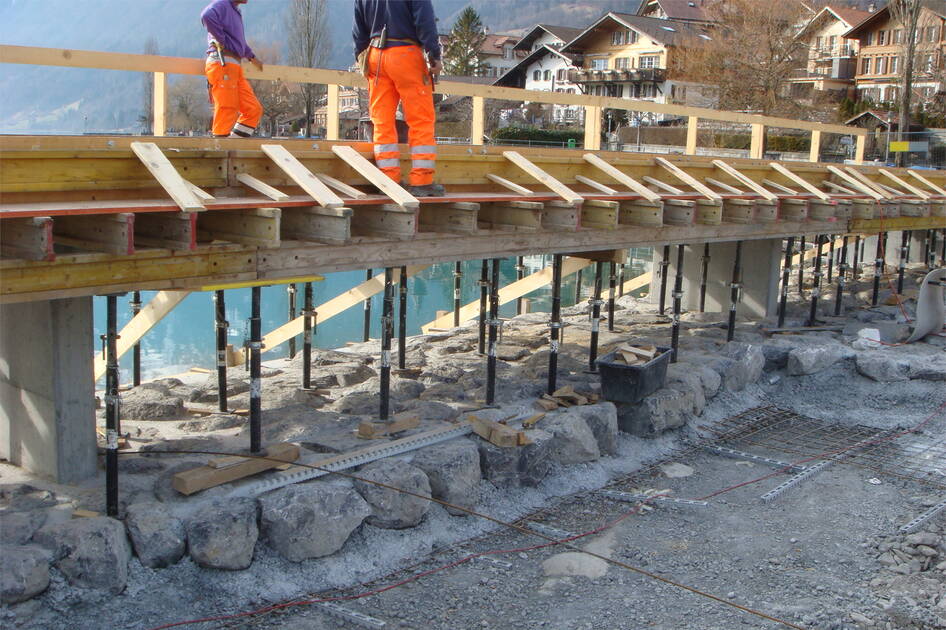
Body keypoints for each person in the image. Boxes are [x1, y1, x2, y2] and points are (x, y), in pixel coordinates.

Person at [353, 0, 444, 197]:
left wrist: (361, 55)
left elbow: (359, 29)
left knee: (382, 121)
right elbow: (425, 20)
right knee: (420, 120)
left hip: (375, 56)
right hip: (406, 53)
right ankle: (422, 181)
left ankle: (388, 179)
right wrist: (434, 55)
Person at [200, 0, 263, 138]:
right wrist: (221, 40)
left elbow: (238, 42)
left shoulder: (233, 10)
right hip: (222, 63)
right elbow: (207, 15)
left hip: (234, 66)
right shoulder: (223, 4)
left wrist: (252, 57)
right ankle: (219, 149)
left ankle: (230, 146)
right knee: (226, 107)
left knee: (253, 109)